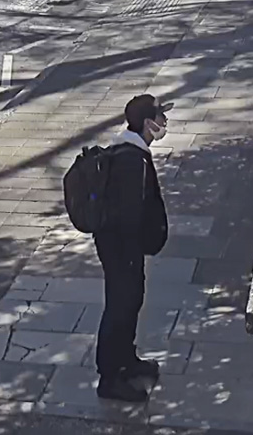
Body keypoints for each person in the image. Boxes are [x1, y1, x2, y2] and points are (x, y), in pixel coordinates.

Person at [94, 94, 171, 402]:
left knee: (131, 301)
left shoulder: (131, 151)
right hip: (120, 247)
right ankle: (109, 377)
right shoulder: (130, 160)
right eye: (160, 118)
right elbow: (128, 213)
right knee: (119, 307)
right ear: (147, 123)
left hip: (124, 247)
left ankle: (127, 359)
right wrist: (135, 247)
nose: (165, 122)